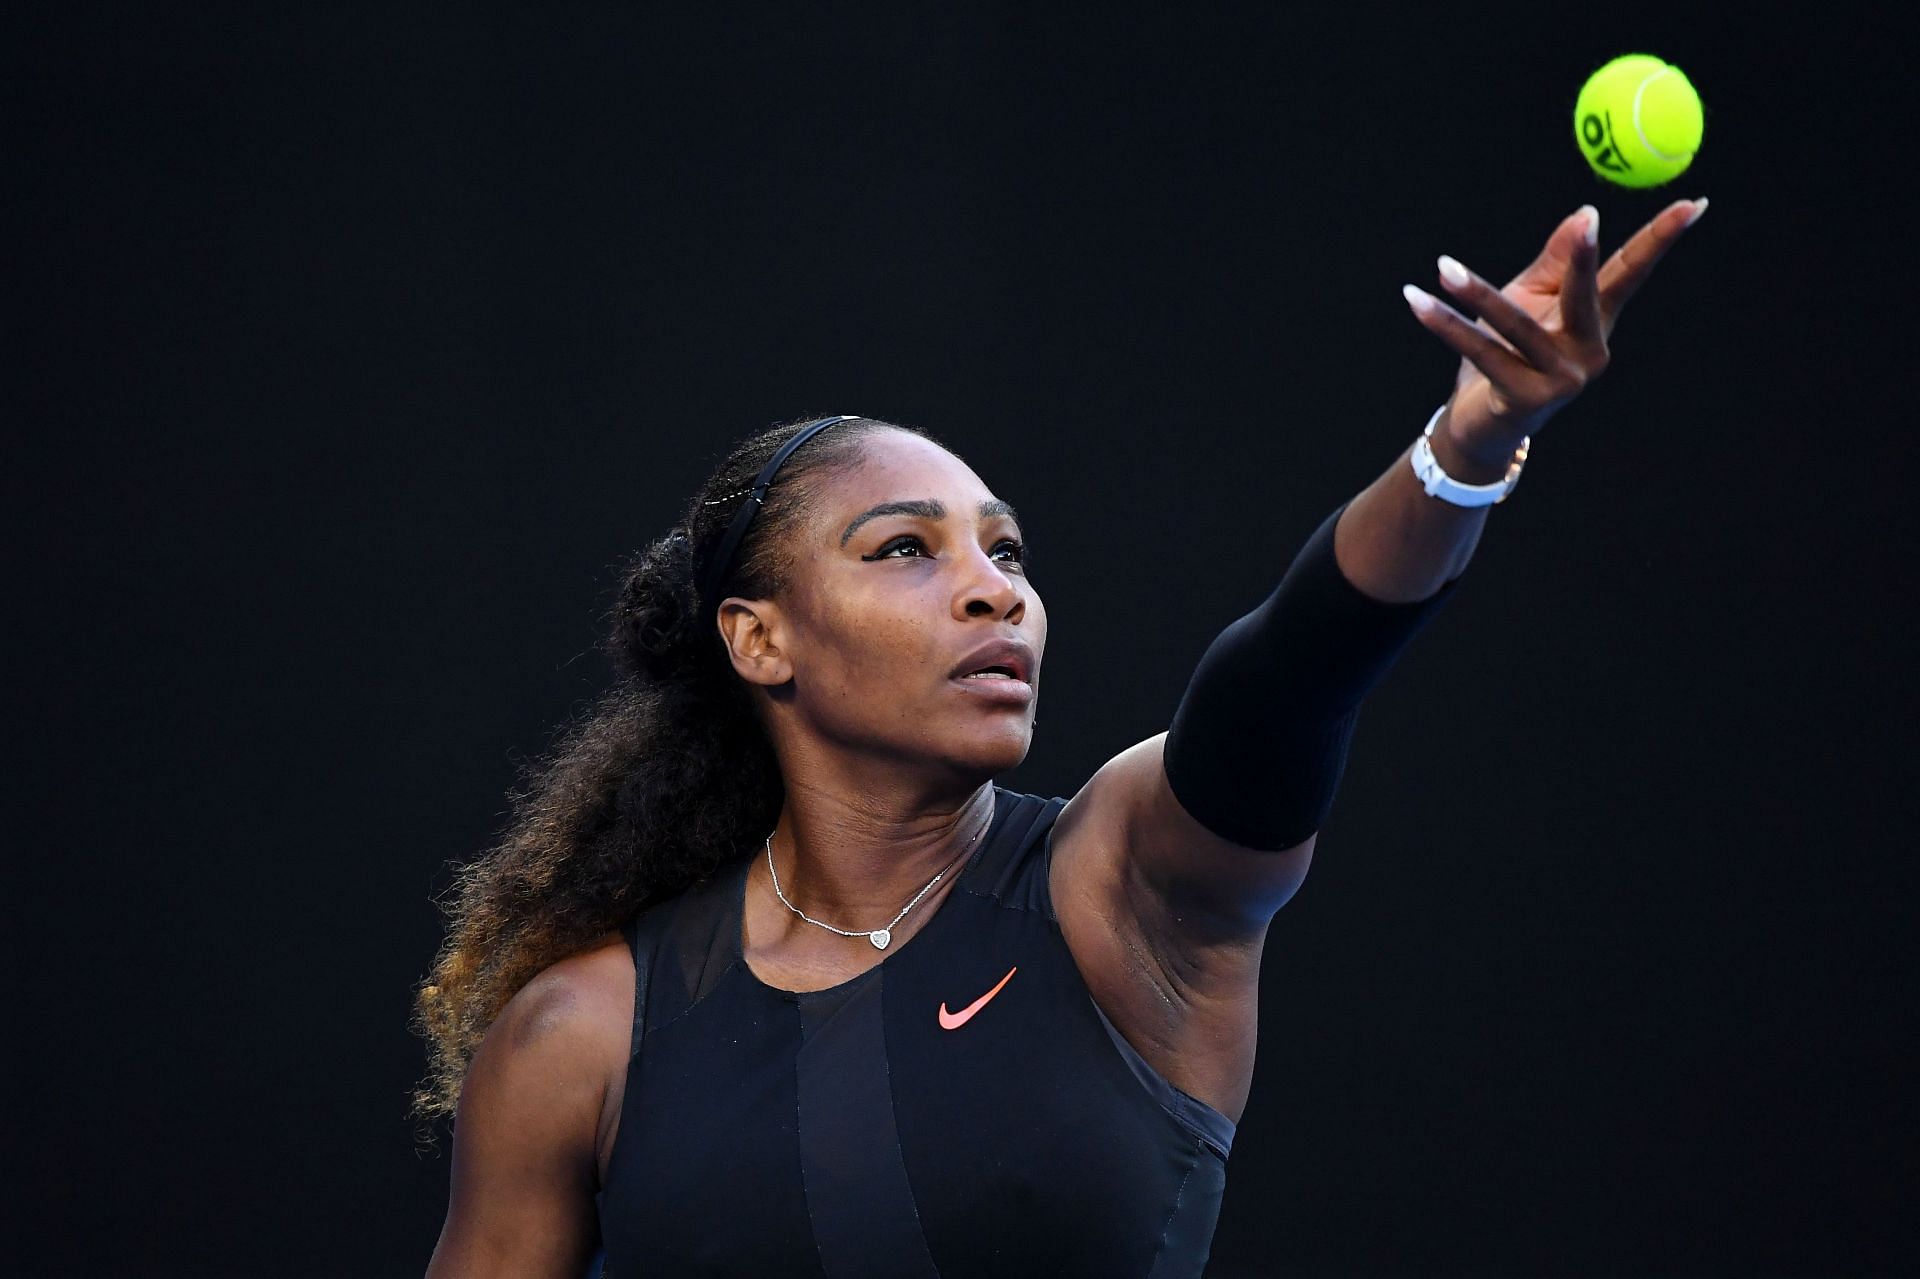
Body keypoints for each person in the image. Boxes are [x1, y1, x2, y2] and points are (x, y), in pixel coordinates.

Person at [415, 199, 1705, 1278]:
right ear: (760, 641)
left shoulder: (1123, 890)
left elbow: (1289, 679)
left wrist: (1468, 444)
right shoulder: (581, 1033)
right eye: (906, 549)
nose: (995, 590)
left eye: (1008, 551)